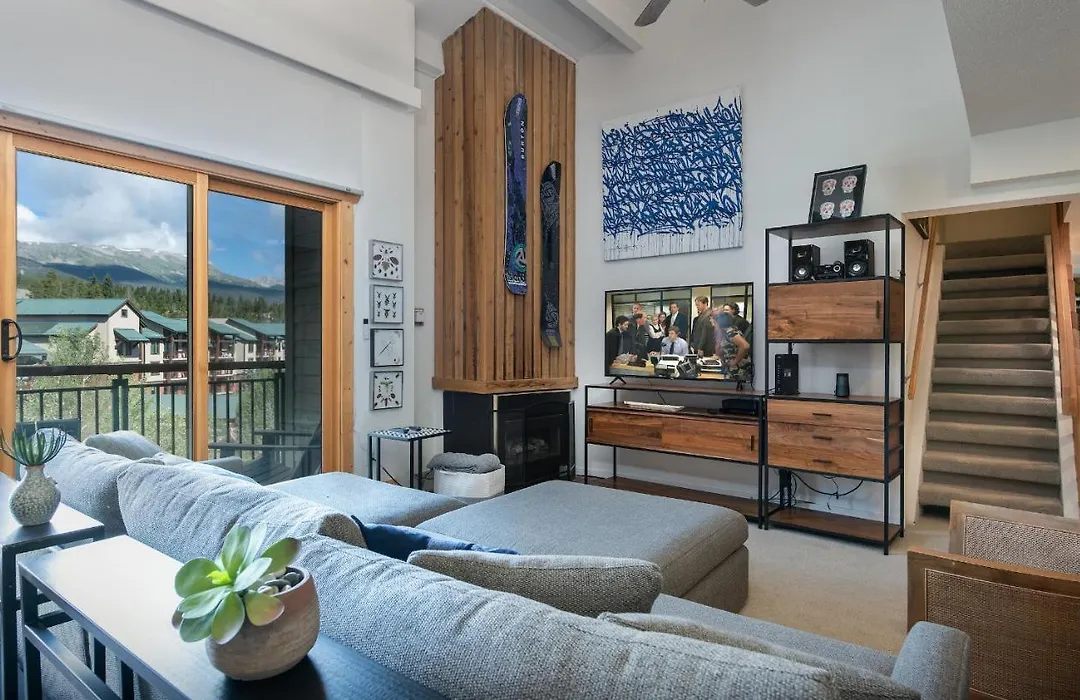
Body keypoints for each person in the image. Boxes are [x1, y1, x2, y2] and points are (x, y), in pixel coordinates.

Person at [713, 310, 752, 382]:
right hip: (732, 369)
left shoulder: (731, 332)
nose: (713, 325)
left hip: (739, 369)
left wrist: (735, 361)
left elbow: (745, 346)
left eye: (715, 322)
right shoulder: (724, 333)